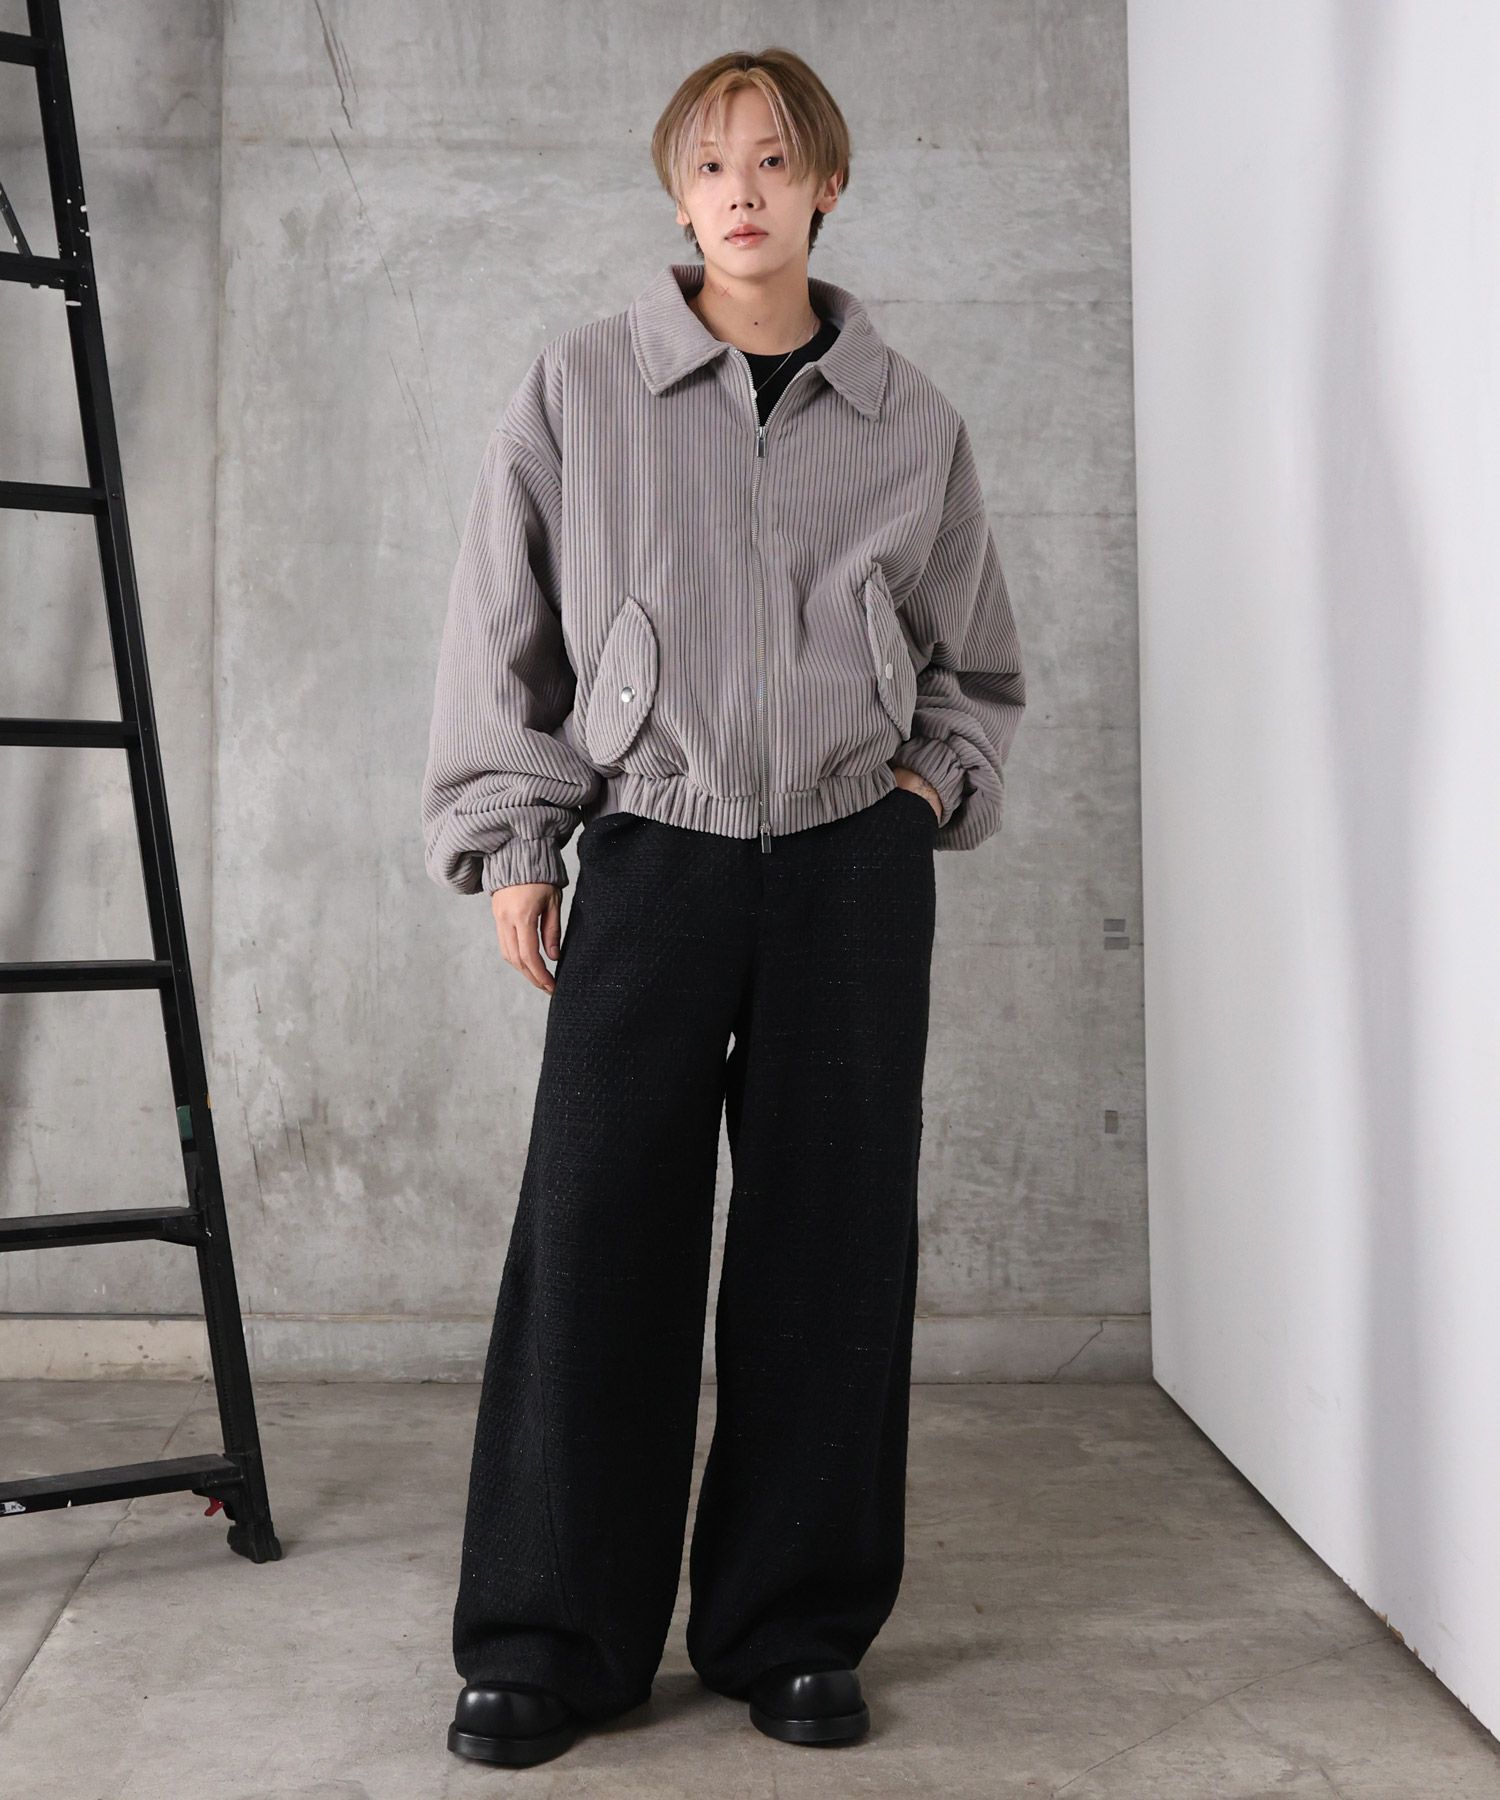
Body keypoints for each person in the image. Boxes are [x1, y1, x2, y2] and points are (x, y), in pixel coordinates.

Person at [420, 44, 1025, 1770]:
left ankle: (794, 1627)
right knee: (597, 1238)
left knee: (831, 1246)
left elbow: (974, 663)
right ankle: (550, 1641)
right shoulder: (583, 388)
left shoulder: (910, 420)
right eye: (708, 165)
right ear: (676, 195)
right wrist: (519, 841)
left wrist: (926, 794)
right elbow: (504, 630)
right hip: (657, 852)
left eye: (772, 160)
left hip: (848, 864)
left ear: (827, 184)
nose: (740, 191)